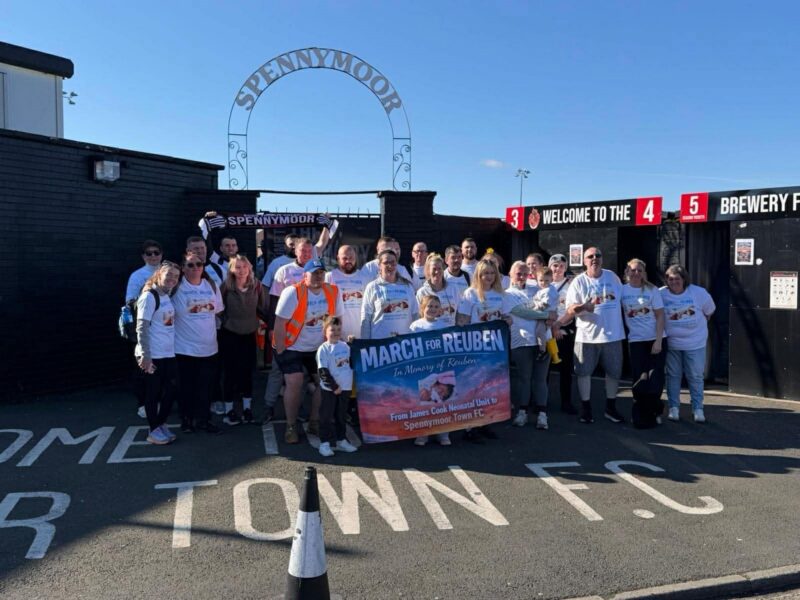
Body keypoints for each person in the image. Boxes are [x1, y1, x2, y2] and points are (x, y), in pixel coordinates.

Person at [273, 259, 343, 443]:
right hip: (292, 346)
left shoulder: (333, 291)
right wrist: (280, 349)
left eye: (321, 272)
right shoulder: (293, 292)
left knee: (324, 382)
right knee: (295, 382)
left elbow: (336, 319)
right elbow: (279, 322)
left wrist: (338, 344)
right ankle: (291, 426)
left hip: (318, 347)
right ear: (305, 275)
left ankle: (314, 421)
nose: (318, 276)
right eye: (314, 273)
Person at [565, 246, 626, 425]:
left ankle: (610, 407)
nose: (594, 259)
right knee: (584, 373)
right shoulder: (579, 282)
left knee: (614, 373)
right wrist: (584, 307)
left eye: (597, 255)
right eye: (590, 256)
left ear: (602, 258)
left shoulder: (612, 277)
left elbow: (623, 299)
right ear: (584, 261)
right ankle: (586, 408)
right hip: (587, 337)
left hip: (613, 335)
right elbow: (570, 309)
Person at [456, 258, 513, 441]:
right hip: (475, 348)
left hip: (494, 349)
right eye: (484, 273)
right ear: (478, 275)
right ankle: (469, 428)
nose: (488, 276)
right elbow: (462, 322)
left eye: (491, 273)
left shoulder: (501, 294)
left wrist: (507, 321)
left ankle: (485, 423)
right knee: (473, 388)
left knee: (489, 389)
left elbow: (507, 318)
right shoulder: (470, 294)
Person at [263, 237, 316, 421]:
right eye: (303, 251)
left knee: (301, 376)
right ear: (295, 251)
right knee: (278, 371)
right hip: (285, 331)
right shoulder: (284, 271)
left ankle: (299, 407)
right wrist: (272, 328)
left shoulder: (317, 271)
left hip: (309, 333)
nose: (306, 254)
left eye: (309, 251)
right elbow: (274, 301)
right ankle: (269, 407)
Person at [173, 253, 224, 434]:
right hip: (184, 348)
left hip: (209, 348)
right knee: (185, 387)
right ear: (183, 268)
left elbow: (217, 310)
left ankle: (203, 420)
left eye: (199, 264)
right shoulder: (177, 287)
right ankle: (186, 420)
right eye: (190, 265)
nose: (195, 268)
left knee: (206, 387)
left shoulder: (211, 285)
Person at [660, 265, 716, 423]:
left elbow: (710, 311)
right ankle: (674, 408)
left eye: (677, 279)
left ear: (684, 279)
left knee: (695, 376)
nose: (674, 282)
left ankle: (698, 409)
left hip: (695, 344)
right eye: (670, 279)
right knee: (672, 376)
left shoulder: (698, 293)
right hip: (672, 344)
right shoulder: (660, 294)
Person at [219, 255, 269, 426]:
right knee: (230, 373)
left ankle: (247, 408)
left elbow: (264, 307)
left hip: (249, 333)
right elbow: (218, 309)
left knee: (247, 372)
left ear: (249, 268)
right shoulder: (226, 287)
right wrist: (226, 321)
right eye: (237, 267)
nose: (241, 271)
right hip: (230, 333)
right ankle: (229, 410)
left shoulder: (257, 286)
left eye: (244, 267)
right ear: (232, 270)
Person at [135, 261, 180, 445]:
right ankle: (153, 429)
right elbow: (142, 327)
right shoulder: (149, 296)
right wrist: (145, 355)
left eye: (176, 276)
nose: (172, 279)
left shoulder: (166, 296)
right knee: (153, 394)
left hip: (167, 353)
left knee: (170, 390)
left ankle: (160, 423)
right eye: (169, 274)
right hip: (152, 354)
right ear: (159, 274)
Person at [506, 261, 553, 430]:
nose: (521, 277)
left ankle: (542, 414)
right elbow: (521, 312)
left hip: (543, 341)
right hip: (521, 342)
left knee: (540, 380)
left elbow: (554, 305)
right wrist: (546, 313)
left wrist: (551, 313)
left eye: (525, 273)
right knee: (524, 379)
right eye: (518, 273)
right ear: (511, 275)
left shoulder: (538, 288)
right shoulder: (507, 294)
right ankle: (522, 412)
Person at [622, 258, 667, 428]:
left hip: (656, 339)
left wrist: (658, 341)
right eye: (633, 270)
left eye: (640, 270)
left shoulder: (652, 290)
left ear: (644, 273)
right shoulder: (622, 291)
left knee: (655, 378)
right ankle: (639, 416)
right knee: (640, 379)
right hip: (636, 341)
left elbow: (660, 315)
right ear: (627, 272)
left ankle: (654, 410)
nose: (636, 273)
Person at [125, 239, 163, 418]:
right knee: (143, 367)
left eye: (156, 252)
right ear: (143, 256)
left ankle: (160, 401)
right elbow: (130, 300)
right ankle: (143, 403)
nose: (153, 256)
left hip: (166, 328)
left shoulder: (167, 272)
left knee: (162, 368)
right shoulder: (137, 275)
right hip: (147, 327)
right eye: (149, 253)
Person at [410, 296, 452, 446]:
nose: (432, 309)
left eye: (435, 306)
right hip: (423, 369)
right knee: (424, 401)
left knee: (442, 401)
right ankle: (423, 434)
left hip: (440, 368)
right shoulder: (415, 326)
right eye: (429, 306)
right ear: (422, 308)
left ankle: (443, 433)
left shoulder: (444, 325)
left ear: (440, 309)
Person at [315, 316, 358, 457]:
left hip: (345, 388)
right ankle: (325, 443)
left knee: (341, 416)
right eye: (332, 330)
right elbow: (323, 371)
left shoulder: (345, 346)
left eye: (338, 329)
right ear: (325, 331)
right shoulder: (323, 349)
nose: (336, 332)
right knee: (326, 416)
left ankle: (341, 439)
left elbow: (352, 362)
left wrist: (353, 344)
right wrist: (334, 386)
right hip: (330, 390)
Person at [361, 249, 418, 339]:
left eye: (393, 262)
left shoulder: (407, 286)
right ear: (379, 266)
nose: (390, 265)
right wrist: (365, 344)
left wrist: (416, 338)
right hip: (380, 343)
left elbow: (415, 314)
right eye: (386, 262)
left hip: (404, 343)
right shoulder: (372, 287)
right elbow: (366, 318)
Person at [549, 254, 578, 415]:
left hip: (564, 333)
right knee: (544, 369)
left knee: (565, 370)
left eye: (561, 266)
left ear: (565, 268)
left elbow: (572, 310)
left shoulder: (572, 285)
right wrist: (553, 328)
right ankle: (541, 401)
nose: (557, 269)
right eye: (554, 265)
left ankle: (566, 402)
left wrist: (559, 327)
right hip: (548, 333)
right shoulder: (543, 283)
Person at [325, 244, 370, 341]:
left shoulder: (364, 277)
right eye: (344, 258)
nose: (348, 261)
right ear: (337, 258)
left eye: (351, 258)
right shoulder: (330, 276)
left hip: (360, 335)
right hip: (337, 335)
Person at [415, 253, 460, 327]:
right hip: (431, 334)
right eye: (434, 269)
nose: (437, 272)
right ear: (428, 270)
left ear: (443, 270)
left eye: (439, 269)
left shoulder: (453, 289)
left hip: (450, 334)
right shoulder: (422, 292)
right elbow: (418, 315)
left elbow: (459, 312)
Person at [530, 267, 561, 363]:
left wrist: (532, 309)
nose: (543, 283)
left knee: (540, 332)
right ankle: (555, 355)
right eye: (541, 280)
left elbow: (544, 304)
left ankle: (542, 350)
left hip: (545, 316)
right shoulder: (547, 289)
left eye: (546, 280)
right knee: (548, 336)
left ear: (551, 279)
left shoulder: (548, 291)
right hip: (547, 315)